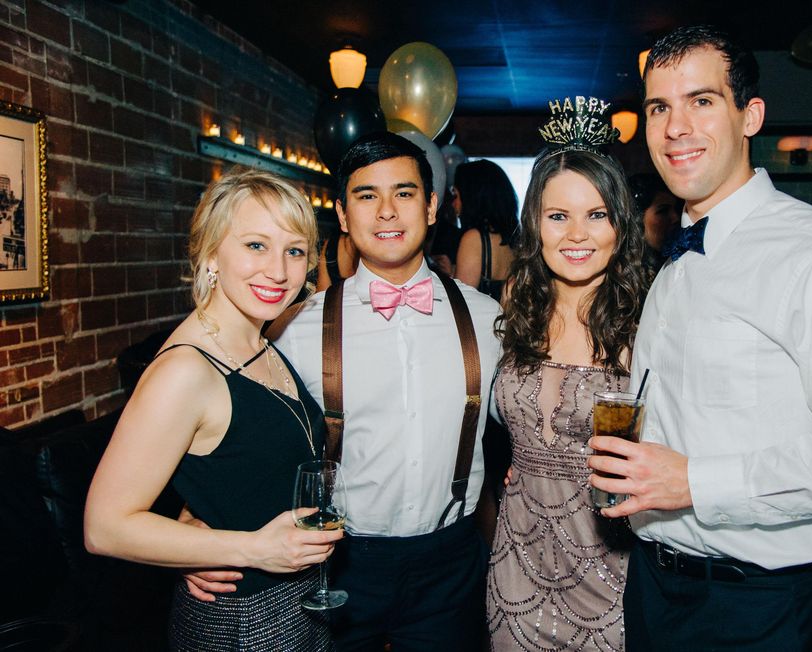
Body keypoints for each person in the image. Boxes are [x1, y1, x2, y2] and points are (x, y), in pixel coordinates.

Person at [588, 25, 812, 651]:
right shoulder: (677, 261)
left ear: (751, 116)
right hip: (657, 589)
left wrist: (698, 482)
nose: (675, 127)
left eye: (702, 101)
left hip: (758, 608)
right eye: (659, 106)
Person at [189, 132, 502, 651]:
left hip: (452, 561)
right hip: (336, 563)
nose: (386, 211)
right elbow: (238, 429)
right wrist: (199, 518)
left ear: (429, 207)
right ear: (342, 211)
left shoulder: (489, 321)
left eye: (403, 193)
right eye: (366, 195)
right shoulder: (292, 327)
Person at [84, 169, 341, 651]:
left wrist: (192, 514)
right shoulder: (186, 370)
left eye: (294, 250)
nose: (279, 271)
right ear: (211, 253)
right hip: (242, 620)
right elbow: (104, 526)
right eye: (255, 245)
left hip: (294, 601)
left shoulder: (255, 336)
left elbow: (221, 460)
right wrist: (249, 548)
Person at [486, 99, 648, 651]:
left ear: (620, 224)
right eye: (559, 216)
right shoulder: (516, 302)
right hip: (517, 551)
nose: (577, 234)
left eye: (597, 214)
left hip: (610, 561)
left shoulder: (647, 319)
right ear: (535, 223)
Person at [453, 159, 519, 301]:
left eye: (456, 195)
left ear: (471, 196)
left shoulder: (473, 238)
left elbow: (461, 303)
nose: (454, 203)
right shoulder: (517, 236)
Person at [629, 172, 680, 276]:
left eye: (676, 209)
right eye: (662, 211)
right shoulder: (623, 277)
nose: (675, 218)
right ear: (637, 219)